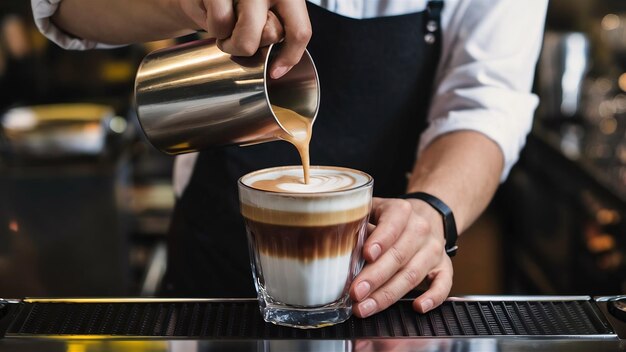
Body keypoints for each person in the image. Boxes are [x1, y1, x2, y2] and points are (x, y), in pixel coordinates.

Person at [31, 0, 547, 318]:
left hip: (381, 295)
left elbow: (485, 102)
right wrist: (189, 3)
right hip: (209, 280)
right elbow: (61, 7)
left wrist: (433, 210)